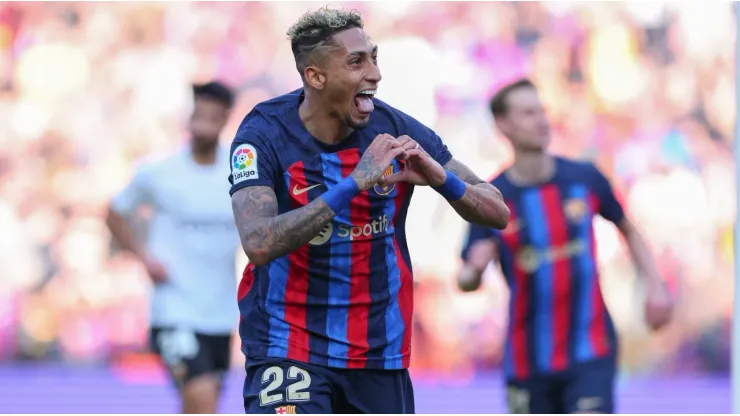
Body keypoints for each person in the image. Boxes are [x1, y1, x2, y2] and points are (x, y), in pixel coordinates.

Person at [228, 7, 510, 414]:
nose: (375, 74)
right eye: (356, 62)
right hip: (288, 342)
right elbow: (257, 242)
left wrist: (441, 179)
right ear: (316, 77)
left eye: (374, 58)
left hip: (377, 349)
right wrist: (354, 183)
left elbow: (498, 212)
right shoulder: (263, 135)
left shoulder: (395, 129)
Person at [458, 78, 675, 414]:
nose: (541, 120)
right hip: (527, 359)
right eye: (528, 113)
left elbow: (628, 229)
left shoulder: (584, 178)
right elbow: (465, 280)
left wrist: (655, 285)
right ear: (503, 125)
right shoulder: (492, 198)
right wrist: (474, 269)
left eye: (541, 111)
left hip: (590, 348)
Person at [106, 81, 239, 414]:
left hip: (221, 312)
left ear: (224, 119)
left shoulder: (239, 171)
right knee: (201, 397)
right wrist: (143, 258)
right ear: (188, 117)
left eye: (212, 116)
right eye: (199, 115)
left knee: (199, 403)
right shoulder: (159, 172)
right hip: (175, 309)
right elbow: (114, 213)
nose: (203, 124)